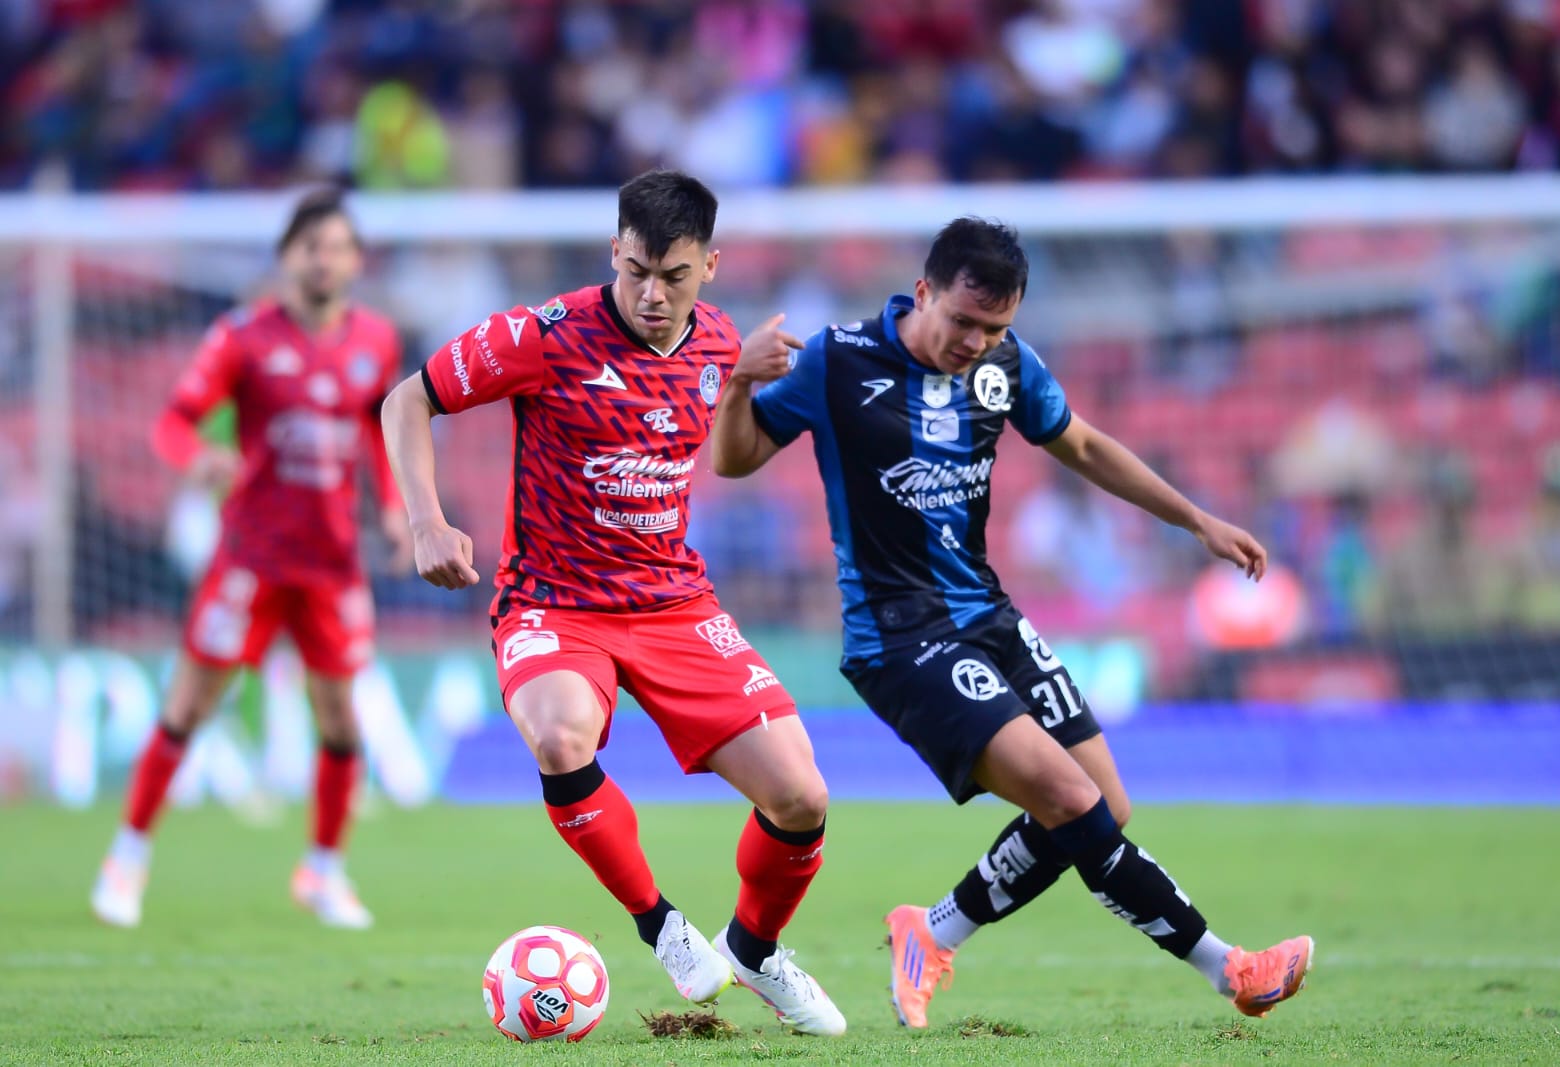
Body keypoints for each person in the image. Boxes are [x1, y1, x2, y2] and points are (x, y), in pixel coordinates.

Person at [710, 217, 1313, 1029]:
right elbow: (735, 459)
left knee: (1105, 806)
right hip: (899, 637)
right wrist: (738, 386)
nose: (975, 343)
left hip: (987, 615)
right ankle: (1231, 967)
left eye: (994, 328)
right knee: (1070, 797)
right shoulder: (838, 359)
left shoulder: (1006, 364)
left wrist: (1195, 519)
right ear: (923, 292)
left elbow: (1084, 446)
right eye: (964, 321)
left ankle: (933, 931)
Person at [379, 170, 845, 1036]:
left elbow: (733, 453)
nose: (651, 294)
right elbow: (407, 399)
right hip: (554, 603)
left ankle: (754, 947)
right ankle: (660, 925)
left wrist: (740, 384)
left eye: (673, 276)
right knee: (560, 737)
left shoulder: (720, 342)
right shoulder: (542, 335)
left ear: (710, 266)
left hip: (674, 603)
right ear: (614, 253)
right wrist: (425, 521)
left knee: (801, 796)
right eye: (635, 271)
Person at [92, 188, 411, 930]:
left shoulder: (377, 340)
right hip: (250, 560)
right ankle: (127, 855)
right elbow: (173, 423)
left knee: (340, 720)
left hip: (332, 562)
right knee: (189, 706)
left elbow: (380, 430)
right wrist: (197, 458)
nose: (324, 260)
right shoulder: (241, 337)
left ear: (356, 261)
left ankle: (323, 871)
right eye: (311, 246)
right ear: (286, 256)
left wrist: (396, 508)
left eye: (338, 247)